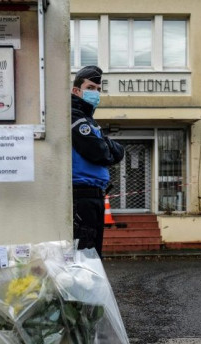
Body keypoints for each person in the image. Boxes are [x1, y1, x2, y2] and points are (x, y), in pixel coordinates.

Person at [71, 65, 125, 258]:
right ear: (76, 91)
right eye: (91, 88)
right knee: (85, 256)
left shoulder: (88, 120)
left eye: (98, 90)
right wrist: (105, 146)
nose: (96, 93)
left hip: (93, 196)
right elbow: (99, 151)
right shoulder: (75, 117)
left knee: (93, 254)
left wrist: (105, 145)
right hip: (81, 196)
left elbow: (118, 151)